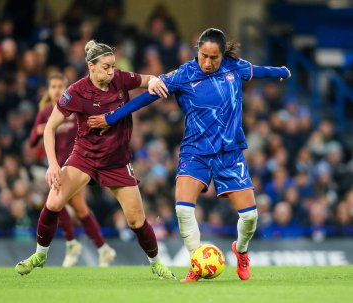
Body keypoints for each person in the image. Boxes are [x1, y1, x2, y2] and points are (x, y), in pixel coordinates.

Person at [88, 28, 291, 282]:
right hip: (196, 151)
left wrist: (281, 71)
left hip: (230, 152)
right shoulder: (182, 75)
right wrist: (111, 118)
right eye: (203, 56)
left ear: (222, 56)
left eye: (213, 58)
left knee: (250, 217)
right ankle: (197, 262)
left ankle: (240, 251)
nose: (207, 62)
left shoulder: (234, 67)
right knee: (183, 210)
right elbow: (145, 98)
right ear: (198, 51)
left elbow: (259, 71)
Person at [15, 40, 176, 280]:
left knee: (136, 220)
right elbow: (49, 128)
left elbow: (146, 79)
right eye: (106, 67)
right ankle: (40, 254)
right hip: (85, 156)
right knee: (54, 202)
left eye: (113, 66)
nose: (111, 72)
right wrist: (53, 164)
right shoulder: (76, 92)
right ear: (91, 66)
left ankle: (156, 263)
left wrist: (153, 80)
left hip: (118, 160)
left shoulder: (120, 79)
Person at [29, 73, 116, 267]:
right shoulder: (45, 113)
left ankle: (73, 243)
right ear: (48, 90)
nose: (57, 90)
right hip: (55, 167)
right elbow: (32, 141)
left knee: (59, 204)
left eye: (61, 86)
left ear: (67, 89)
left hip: (76, 166)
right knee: (78, 208)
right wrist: (42, 129)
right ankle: (102, 248)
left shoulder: (75, 109)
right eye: (53, 86)